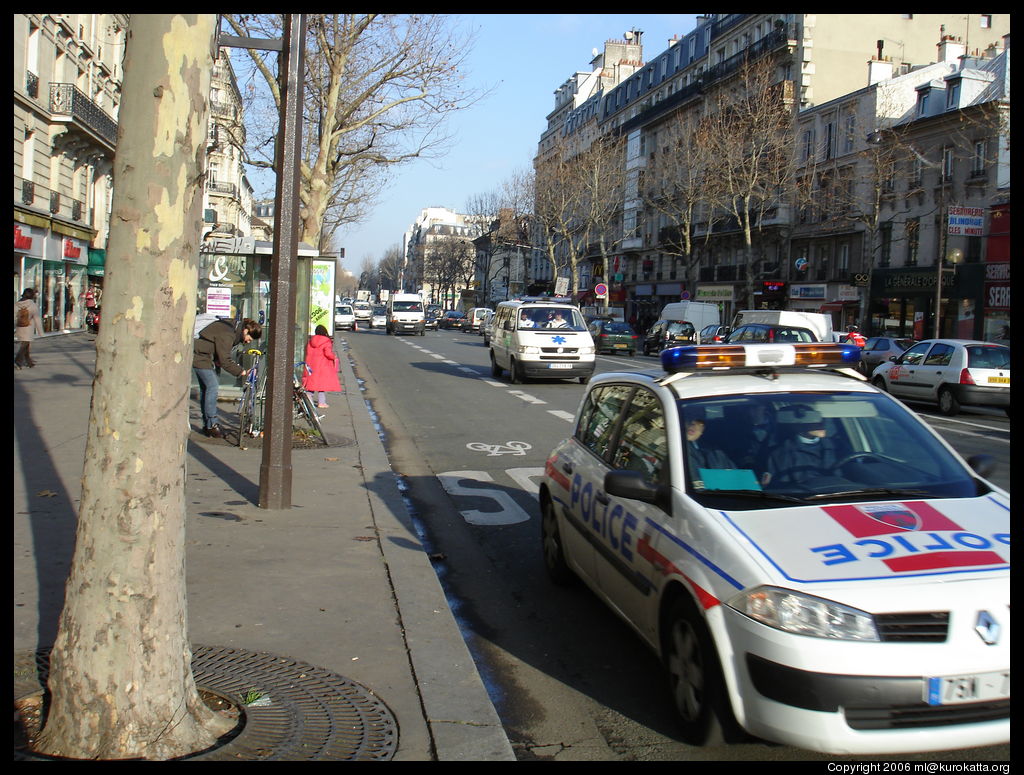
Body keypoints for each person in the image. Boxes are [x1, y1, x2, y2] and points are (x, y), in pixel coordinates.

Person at [192, 317, 262, 438]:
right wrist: (242, 372)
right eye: (249, 338)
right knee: (212, 387)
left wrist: (217, 359)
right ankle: (212, 424)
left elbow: (216, 345)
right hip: (200, 357)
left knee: (207, 389)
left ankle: (208, 424)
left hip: (203, 356)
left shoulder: (232, 328)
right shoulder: (228, 333)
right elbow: (225, 361)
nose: (248, 341)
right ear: (246, 331)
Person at [761, 405, 838, 488]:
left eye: (820, 420)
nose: (821, 424)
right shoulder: (781, 454)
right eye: (812, 420)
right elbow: (784, 488)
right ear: (797, 425)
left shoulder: (837, 446)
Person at [684, 407, 734, 488]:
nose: (693, 423)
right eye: (689, 417)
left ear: (703, 428)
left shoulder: (716, 453)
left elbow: (735, 479)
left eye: (699, 420)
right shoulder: (672, 449)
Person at [302, 324, 342, 408]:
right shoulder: (326, 341)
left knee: (311, 385)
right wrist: (334, 357)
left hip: (311, 365)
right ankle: (321, 402)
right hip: (322, 366)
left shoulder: (310, 341)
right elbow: (328, 353)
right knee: (321, 386)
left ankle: (309, 400)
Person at [14, 289, 44, 369]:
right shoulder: (32, 305)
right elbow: (37, 319)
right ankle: (17, 361)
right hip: (28, 328)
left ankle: (29, 362)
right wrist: (41, 332)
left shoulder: (17, 304)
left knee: (26, 345)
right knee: (25, 345)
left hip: (20, 327)